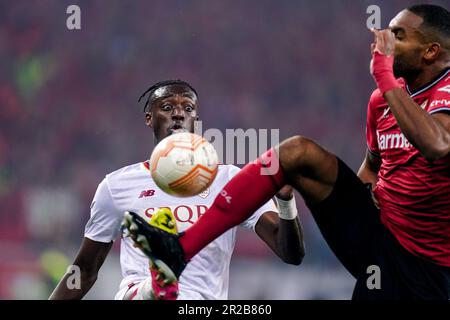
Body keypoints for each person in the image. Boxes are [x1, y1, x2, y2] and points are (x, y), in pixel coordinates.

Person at [125, 5, 450, 299]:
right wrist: (368, 189)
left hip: (434, 268)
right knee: (298, 152)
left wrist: (383, 72)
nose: (383, 41)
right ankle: (179, 252)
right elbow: (373, 165)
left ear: (431, 50)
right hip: (383, 241)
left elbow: (436, 145)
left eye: (398, 35)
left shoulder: (427, 91)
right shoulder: (383, 101)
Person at [49, 80, 305, 300]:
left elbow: (291, 253)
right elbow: (85, 269)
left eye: (188, 108)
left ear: (196, 120)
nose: (179, 114)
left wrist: (285, 200)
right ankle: (153, 288)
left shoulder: (230, 179)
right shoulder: (116, 186)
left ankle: (159, 282)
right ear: (149, 118)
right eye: (168, 107)